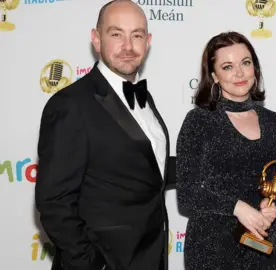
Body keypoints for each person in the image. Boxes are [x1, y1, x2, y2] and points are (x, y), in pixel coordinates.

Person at [35, 1, 175, 269]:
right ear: (96, 39)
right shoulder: (70, 104)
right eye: (116, 34)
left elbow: (145, 168)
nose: (128, 46)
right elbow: (54, 203)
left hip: (150, 259)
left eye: (136, 35)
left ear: (148, 41)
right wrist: (93, 264)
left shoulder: (145, 98)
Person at [176, 31, 276, 270]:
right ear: (214, 76)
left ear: (255, 67)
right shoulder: (199, 121)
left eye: (245, 63)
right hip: (212, 252)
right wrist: (238, 208)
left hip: (265, 250)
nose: (240, 73)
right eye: (228, 66)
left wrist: (275, 207)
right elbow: (187, 193)